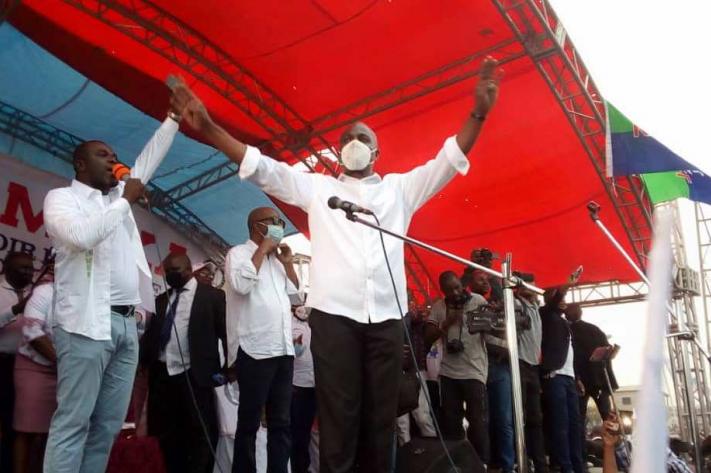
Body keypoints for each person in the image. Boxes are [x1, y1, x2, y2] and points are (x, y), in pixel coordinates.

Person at [170, 54, 500, 473]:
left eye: (361, 137)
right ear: (339, 152)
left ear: (376, 151)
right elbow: (263, 169)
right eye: (346, 138)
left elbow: (447, 161)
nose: (353, 141)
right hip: (334, 319)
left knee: (382, 421)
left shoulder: (400, 190)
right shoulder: (317, 187)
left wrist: (478, 113)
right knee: (339, 420)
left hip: (386, 318)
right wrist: (210, 129)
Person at [42, 106, 183, 472]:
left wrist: (173, 118)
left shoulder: (118, 197)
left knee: (108, 428)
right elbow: (81, 236)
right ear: (80, 164)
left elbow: (147, 162)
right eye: (103, 155)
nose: (113, 161)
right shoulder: (62, 199)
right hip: (86, 324)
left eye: (115, 156)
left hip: (127, 325)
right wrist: (125, 200)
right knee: (73, 423)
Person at [224, 207, 300, 473]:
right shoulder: (238, 254)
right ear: (257, 226)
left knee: (281, 422)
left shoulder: (277, 262)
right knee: (249, 422)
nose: (279, 225)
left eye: (280, 221)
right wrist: (262, 249)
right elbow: (241, 285)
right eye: (273, 221)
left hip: (283, 350)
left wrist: (287, 263)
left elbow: (297, 297)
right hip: (254, 349)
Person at [141, 251, 227, 473]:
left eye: (175, 270)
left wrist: (228, 370)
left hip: (196, 375)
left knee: (199, 433)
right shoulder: (162, 300)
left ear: (189, 269)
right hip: (163, 376)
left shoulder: (212, 297)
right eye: (167, 271)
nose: (171, 274)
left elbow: (227, 334)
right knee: (165, 433)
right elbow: (151, 337)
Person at [428, 271, 490, 464]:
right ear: (443, 291)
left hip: (474, 371)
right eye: (449, 290)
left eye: (457, 287)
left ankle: (481, 463)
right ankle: (458, 465)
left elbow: (491, 328)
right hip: (448, 373)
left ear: (462, 284)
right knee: (451, 423)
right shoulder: (439, 307)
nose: (455, 292)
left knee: (477, 422)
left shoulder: (478, 300)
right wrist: (447, 323)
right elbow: (427, 336)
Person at [13, 261, 55, 473]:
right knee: (26, 430)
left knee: (52, 435)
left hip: (63, 373)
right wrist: (63, 363)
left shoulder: (83, 298)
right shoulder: (44, 292)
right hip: (34, 368)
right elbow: (31, 331)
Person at [540, 281, 584, 473]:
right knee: (561, 423)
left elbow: (570, 350)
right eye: (560, 297)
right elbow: (552, 303)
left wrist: (577, 377)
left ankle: (578, 465)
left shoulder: (564, 321)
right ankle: (566, 467)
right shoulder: (545, 314)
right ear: (550, 299)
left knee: (574, 423)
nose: (564, 300)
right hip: (555, 375)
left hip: (569, 377)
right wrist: (564, 287)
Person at [0, 251, 35, 472]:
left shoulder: (34, 294)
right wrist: (16, 309)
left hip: (24, 366)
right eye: (23, 268)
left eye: (30, 269)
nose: (28, 273)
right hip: (1, 361)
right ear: (7, 268)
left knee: (14, 422)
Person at [514, 272, 548, 473]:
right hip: (520, 364)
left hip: (533, 367)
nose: (534, 291)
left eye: (535, 287)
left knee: (536, 417)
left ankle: (540, 464)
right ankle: (523, 461)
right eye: (530, 287)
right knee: (521, 416)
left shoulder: (535, 307)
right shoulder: (517, 304)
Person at [565, 303, 617, 428]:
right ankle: (612, 439)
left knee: (578, 418)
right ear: (580, 313)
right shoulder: (594, 329)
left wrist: (576, 377)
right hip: (599, 379)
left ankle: (581, 441)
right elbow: (607, 352)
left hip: (579, 379)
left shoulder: (566, 331)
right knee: (607, 416)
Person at [396, 305, 437, 446]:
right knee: (401, 423)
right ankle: (406, 453)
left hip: (416, 370)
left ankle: (432, 451)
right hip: (396, 372)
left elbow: (426, 330)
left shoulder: (418, 323)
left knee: (423, 417)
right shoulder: (390, 317)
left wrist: (417, 316)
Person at [291, 305, 317, 473]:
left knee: (308, 432)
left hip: (314, 386)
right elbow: (296, 352)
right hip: (296, 386)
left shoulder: (315, 323)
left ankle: (307, 466)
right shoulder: (289, 324)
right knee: (297, 434)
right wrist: (297, 343)